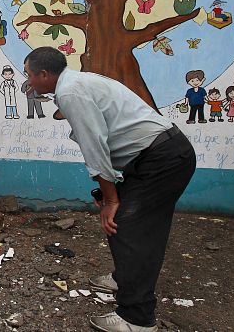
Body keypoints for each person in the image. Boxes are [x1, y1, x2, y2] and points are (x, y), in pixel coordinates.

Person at [23, 47, 196, 332]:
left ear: (43, 74)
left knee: (127, 227)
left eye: (29, 75)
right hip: (158, 155)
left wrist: (111, 199)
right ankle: (124, 279)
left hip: (162, 159)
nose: (28, 82)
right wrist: (108, 194)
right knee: (130, 226)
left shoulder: (70, 92)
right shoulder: (76, 83)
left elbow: (95, 148)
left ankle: (137, 319)